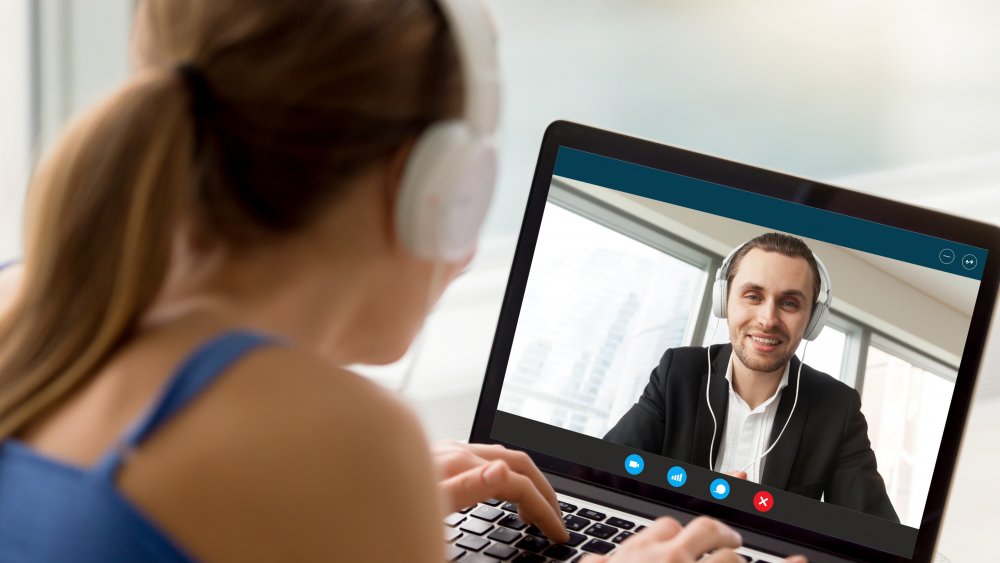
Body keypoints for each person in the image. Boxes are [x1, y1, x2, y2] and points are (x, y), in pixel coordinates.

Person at [0, 1, 810, 561]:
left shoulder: (30, 301)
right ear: (434, 194)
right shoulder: (338, 440)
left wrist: (338, 510)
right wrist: (356, 488)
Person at [605, 233, 898, 522]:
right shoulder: (679, 372)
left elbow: (877, 534)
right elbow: (604, 474)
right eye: (753, 296)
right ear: (725, 301)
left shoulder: (837, 407)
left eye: (790, 303)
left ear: (812, 321)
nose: (768, 319)